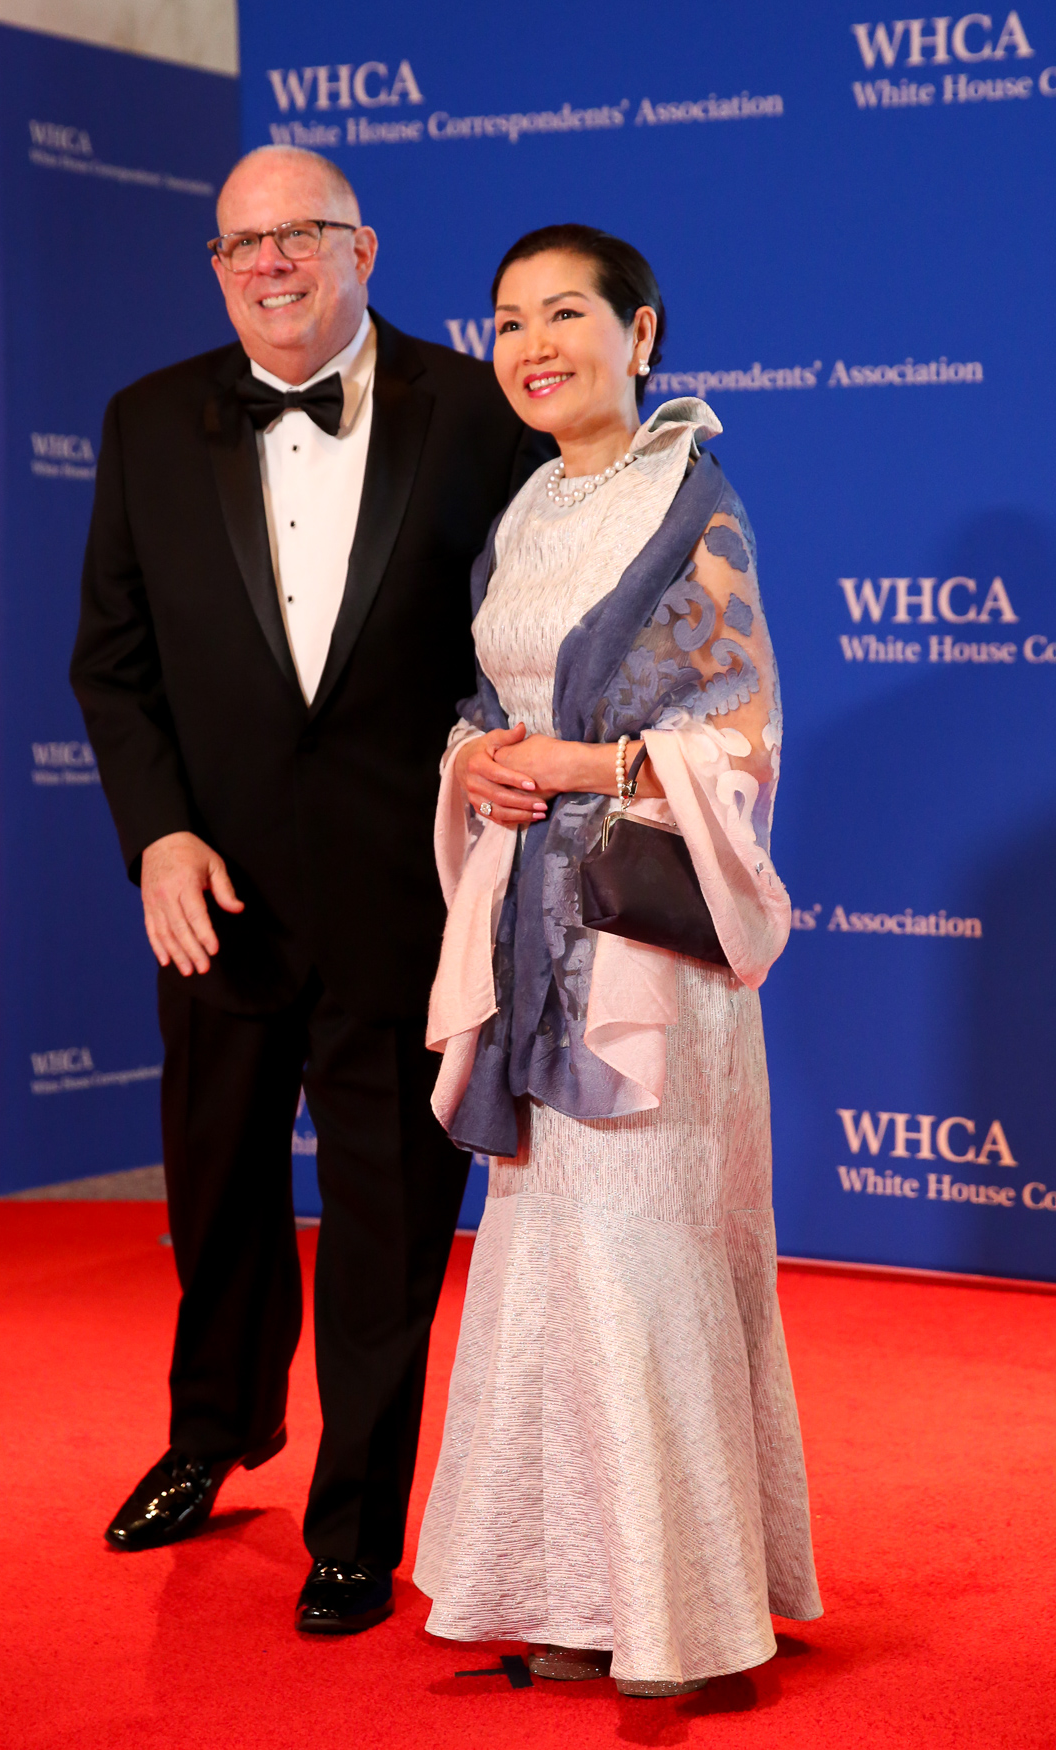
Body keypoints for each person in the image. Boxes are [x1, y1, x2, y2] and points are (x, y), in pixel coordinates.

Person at [70, 147, 550, 1634]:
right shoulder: (148, 420)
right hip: (212, 894)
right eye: (241, 244)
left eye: (301, 236)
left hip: (407, 894)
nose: (271, 263)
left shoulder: (475, 413)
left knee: (392, 1218)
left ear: (366, 248)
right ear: (217, 266)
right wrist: (155, 834)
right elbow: (115, 661)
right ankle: (212, 1436)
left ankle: (355, 1515)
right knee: (215, 1193)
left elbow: (531, 634)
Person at [413, 225, 822, 1695]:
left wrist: (584, 760)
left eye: (567, 313)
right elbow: (483, 699)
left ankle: (688, 1624)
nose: (533, 343)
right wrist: (478, 767)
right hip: (535, 924)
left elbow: (745, 732)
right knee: (549, 1258)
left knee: (642, 1250)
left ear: (638, 332)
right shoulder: (528, 507)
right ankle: (580, 1591)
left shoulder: (688, 500)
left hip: (643, 945)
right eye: (511, 318)